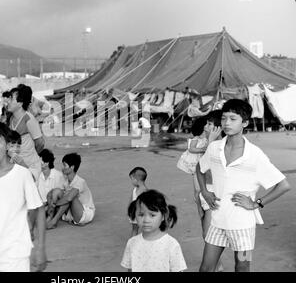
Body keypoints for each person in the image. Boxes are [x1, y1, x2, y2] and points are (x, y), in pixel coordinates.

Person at [197, 99, 292, 272]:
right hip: (217, 221)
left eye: (233, 119)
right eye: (224, 118)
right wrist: (204, 191)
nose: (226, 123)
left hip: (242, 226)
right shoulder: (214, 148)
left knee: (242, 265)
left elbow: (283, 185)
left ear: (245, 123)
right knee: (206, 267)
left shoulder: (254, 155)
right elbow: (200, 168)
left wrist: (257, 203)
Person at [0, 122, 47, 272]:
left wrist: (41, 248)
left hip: (16, 253)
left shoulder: (22, 174)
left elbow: (39, 209)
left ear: (7, 146)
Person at [121, 189, 187, 272]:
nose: (146, 220)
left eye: (152, 215)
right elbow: (130, 270)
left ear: (163, 216)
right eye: (141, 214)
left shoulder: (172, 245)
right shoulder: (132, 243)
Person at [46, 153, 95, 229]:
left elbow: (69, 198)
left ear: (72, 167)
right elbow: (52, 193)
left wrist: (55, 204)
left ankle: (54, 221)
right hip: (72, 212)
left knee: (69, 196)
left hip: (84, 213)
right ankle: (50, 218)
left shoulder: (80, 181)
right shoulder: (65, 181)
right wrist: (50, 204)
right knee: (56, 191)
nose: (62, 168)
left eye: (65, 165)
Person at [7, 85, 45, 182]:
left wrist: (30, 155)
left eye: (11, 99)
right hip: (15, 165)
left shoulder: (29, 119)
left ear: (20, 103)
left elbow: (40, 143)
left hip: (29, 167)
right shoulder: (10, 119)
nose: (8, 102)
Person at [128, 167, 148, 237]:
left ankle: (135, 242)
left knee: (137, 229)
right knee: (135, 229)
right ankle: (134, 242)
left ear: (136, 179)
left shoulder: (143, 190)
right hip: (134, 212)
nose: (131, 181)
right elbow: (131, 199)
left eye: (131, 179)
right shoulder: (135, 188)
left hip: (139, 213)